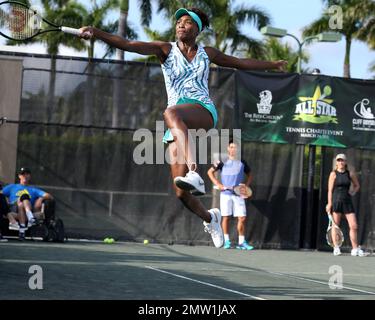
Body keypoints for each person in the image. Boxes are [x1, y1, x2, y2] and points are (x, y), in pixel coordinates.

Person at [79, 7, 287, 248]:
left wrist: (272, 64)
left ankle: (194, 170)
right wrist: (96, 32)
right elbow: (127, 43)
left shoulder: (207, 53)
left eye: (187, 23)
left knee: (170, 112)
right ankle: (211, 218)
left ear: (197, 30)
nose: (180, 25)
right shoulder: (164, 50)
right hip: (177, 125)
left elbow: (240, 62)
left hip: (202, 111)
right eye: (179, 22)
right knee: (180, 192)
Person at [208, 140, 254, 250]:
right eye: (231, 147)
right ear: (228, 149)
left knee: (242, 218)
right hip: (226, 194)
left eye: (235, 147)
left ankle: (241, 242)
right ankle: (226, 241)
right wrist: (218, 184)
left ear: (237, 149)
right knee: (226, 217)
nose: (233, 149)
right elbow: (210, 172)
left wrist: (245, 187)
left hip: (238, 195)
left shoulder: (242, 162)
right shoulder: (221, 161)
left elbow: (250, 175)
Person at [326, 154, 366, 256]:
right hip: (336, 201)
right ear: (336, 162)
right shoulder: (333, 174)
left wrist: (352, 192)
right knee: (335, 225)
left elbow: (357, 186)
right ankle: (336, 248)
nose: (340, 162)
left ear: (345, 162)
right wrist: (329, 203)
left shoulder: (350, 174)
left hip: (347, 202)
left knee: (354, 226)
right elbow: (330, 191)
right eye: (338, 160)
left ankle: (355, 249)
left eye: (342, 160)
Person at [2, 167, 53, 240]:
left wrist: (41, 198)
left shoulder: (33, 189)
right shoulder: (12, 186)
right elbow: (1, 194)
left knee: (22, 204)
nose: (25, 176)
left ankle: (22, 231)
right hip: (13, 207)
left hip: (23, 209)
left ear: (30, 176)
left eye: (27, 174)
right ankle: (30, 218)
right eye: (23, 174)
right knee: (24, 196)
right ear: (19, 176)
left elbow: (49, 196)